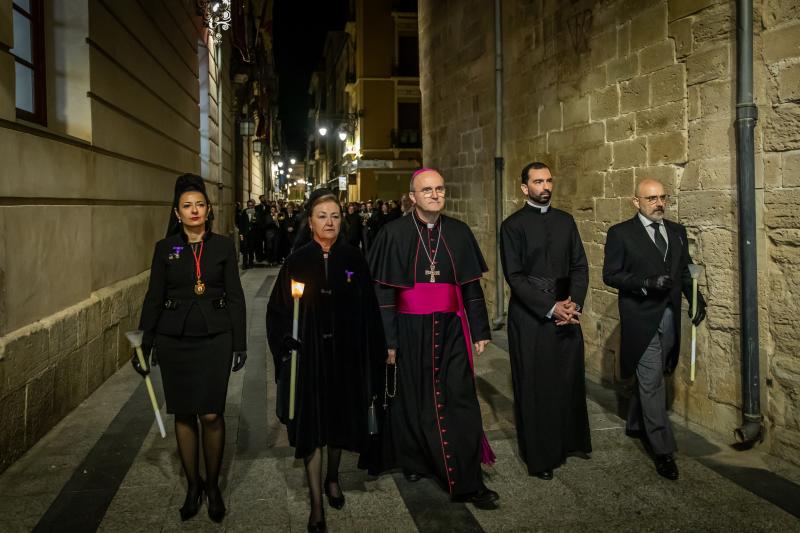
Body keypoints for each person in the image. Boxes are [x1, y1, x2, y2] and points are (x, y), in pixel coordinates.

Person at [368, 168, 499, 509]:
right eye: (427, 190)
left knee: (460, 399)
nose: (435, 195)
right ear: (413, 196)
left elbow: (471, 287)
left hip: (453, 328)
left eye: (440, 189)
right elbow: (383, 294)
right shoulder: (393, 233)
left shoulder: (458, 232)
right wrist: (390, 341)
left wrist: (480, 330)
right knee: (414, 397)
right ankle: (416, 460)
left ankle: (469, 479)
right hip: (410, 329)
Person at [267, 189, 385, 532]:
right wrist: (285, 343)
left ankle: (333, 477)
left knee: (338, 423)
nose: (329, 222)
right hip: (310, 358)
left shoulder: (353, 259)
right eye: (322, 216)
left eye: (335, 215)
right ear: (311, 221)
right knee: (312, 427)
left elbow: (368, 309)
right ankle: (316, 504)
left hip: (345, 356)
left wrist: (373, 349)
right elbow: (278, 311)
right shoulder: (298, 260)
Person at [134, 174, 247, 523]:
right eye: (187, 206)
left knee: (211, 413)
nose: (194, 210)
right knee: (183, 412)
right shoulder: (165, 249)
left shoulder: (224, 245)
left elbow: (235, 296)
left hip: (216, 337)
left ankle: (212, 486)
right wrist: (144, 343)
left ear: (208, 209)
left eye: (199, 204)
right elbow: (154, 297)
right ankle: (192, 487)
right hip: (174, 340)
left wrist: (240, 342)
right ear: (177, 212)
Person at [602, 178, 707, 481]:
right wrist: (645, 283)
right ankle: (662, 449)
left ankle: (636, 423)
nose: (659, 203)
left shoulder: (676, 231)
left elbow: (686, 269)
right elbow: (611, 275)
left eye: (663, 197)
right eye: (651, 199)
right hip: (640, 317)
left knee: (658, 374)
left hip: (670, 316)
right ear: (636, 202)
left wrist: (697, 298)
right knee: (650, 381)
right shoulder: (621, 233)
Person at [499, 162, 592, 480]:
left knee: (567, 380)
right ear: (525, 188)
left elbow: (580, 265)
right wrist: (551, 307)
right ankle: (540, 456)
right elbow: (515, 276)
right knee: (536, 386)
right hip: (531, 316)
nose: (546, 186)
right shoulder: (512, 226)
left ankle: (568, 443)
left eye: (549, 180)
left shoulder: (566, 221)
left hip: (568, 312)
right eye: (538, 181)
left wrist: (573, 304)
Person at [237, 199, 258, 268]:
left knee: (251, 249)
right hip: (245, 233)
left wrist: (255, 220)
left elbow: (259, 223)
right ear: (247, 205)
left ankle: (251, 263)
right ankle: (244, 264)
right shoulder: (244, 212)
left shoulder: (256, 212)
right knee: (245, 249)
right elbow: (241, 224)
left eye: (251, 206)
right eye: (249, 205)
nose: (250, 207)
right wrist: (241, 234)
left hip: (253, 234)